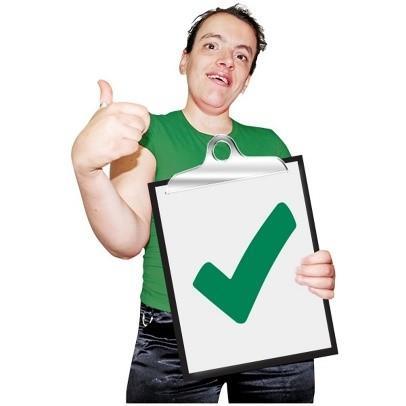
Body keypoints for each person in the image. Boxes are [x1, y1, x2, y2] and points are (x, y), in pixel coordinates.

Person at [71, 4, 336, 403]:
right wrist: (86, 170)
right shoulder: (148, 135)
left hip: (276, 336)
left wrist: (315, 272)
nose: (227, 61)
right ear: (185, 59)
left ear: (246, 79)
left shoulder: (271, 144)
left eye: (242, 56)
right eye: (212, 45)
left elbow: (286, 248)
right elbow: (126, 239)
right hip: (174, 339)